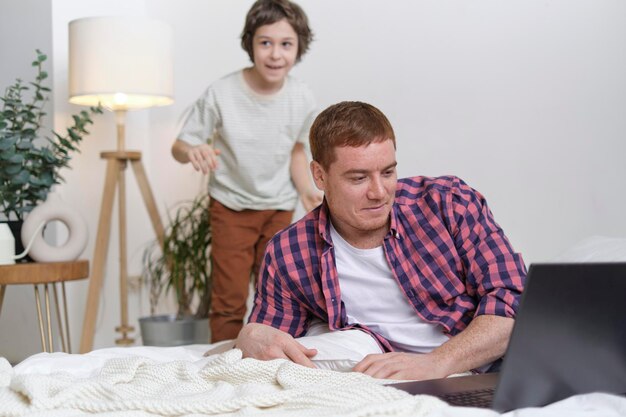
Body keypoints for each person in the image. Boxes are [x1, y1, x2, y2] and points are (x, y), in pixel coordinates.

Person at [235, 101, 527, 381]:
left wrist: (436, 363)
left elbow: (514, 303)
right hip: (390, 383)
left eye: (388, 172)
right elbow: (272, 344)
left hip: (493, 370)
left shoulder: (448, 202)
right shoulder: (290, 251)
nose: (379, 192)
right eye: (359, 178)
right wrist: (250, 335)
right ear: (320, 176)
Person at [172, 0, 322, 342]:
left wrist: (306, 191)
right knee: (229, 298)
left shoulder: (302, 97)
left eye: (286, 44)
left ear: (299, 47)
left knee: (276, 295)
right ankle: (224, 361)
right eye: (265, 42)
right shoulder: (222, 93)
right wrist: (192, 150)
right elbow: (179, 146)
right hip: (231, 207)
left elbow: (296, 151)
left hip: (278, 209)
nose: (274, 54)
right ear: (250, 44)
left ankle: (268, 361)